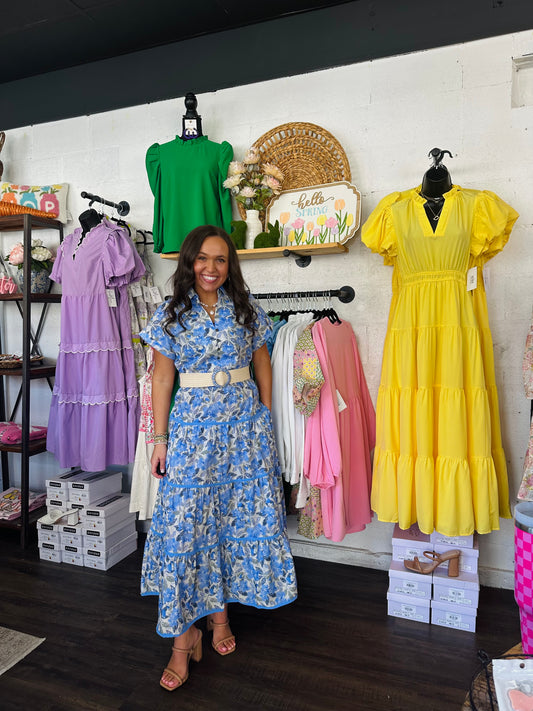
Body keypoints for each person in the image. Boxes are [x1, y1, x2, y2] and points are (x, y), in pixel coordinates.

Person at [139, 225, 298, 691]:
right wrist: (159, 439)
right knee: (188, 528)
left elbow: (262, 361)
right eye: (203, 259)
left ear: (231, 265)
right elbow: (161, 380)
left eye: (221, 260)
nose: (212, 268)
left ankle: (221, 619)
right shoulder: (170, 314)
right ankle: (182, 638)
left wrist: (265, 415)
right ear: (189, 262)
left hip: (243, 432)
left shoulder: (246, 309)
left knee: (229, 523)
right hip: (191, 433)